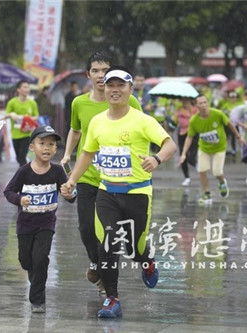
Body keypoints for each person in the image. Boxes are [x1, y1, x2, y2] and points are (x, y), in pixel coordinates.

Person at [61, 66, 176, 318]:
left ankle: (147, 262)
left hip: (137, 193)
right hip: (107, 192)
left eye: (120, 85)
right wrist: (72, 180)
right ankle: (112, 299)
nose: (114, 90)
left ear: (130, 90)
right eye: (110, 85)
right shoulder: (96, 122)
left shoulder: (142, 120)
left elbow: (170, 143)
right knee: (107, 245)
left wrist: (156, 160)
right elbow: (87, 153)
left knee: (135, 248)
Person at [60, 51, 142, 293]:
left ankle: (108, 284)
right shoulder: (79, 103)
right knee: (86, 228)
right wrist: (67, 154)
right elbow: (76, 130)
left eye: (104, 70)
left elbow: (141, 130)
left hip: (117, 179)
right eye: (95, 71)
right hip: (87, 177)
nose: (100, 75)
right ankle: (95, 261)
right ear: (88, 75)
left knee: (108, 232)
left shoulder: (129, 101)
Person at [3, 125, 76, 313]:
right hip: (25, 225)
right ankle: (33, 275)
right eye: (42, 143)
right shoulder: (24, 171)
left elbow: (71, 194)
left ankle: (38, 300)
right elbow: (8, 191)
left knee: (41, 258)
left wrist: (69, 194)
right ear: (32, 147)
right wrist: (20, 199)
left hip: (46, 224)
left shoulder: (58, 171)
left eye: (51, 144)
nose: (47, 148)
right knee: (26, 261)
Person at [179, 94, 245, 204]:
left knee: (217, 172)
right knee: (202, 170)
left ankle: (222, 182)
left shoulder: (217, 114)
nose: (204, 105)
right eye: (201, 103)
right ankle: (207, 193)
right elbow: (189, 137)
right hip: (204, 148)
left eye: (205, 102)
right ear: (196, 105)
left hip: (219, 147)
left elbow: (230, 124)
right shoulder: (194, 120)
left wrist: (238, 137)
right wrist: (183, 154)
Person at [5, 80, 39, 166]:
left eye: (28, 87)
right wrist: (12, 114)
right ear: (18, 89)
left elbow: (36, 116)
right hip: (15, 134)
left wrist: (27, 119)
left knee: (22, 157)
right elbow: (6, 115)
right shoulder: (12, 102)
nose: (27, 89)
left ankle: (23, 175)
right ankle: (25, 170)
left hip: (27, 134)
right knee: (18, 157)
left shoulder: (32, 103)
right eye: (25, 87)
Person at [175, 97, 198, 186]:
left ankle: (195, 164)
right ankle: (187, 177)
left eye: (186, 100)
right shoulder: (179, 110)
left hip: (194, 133)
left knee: (191, 155)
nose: (184, 102)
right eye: (183, 101)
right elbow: (176, 122)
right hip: (182, 133)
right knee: (182, 155)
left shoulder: (196, 110)